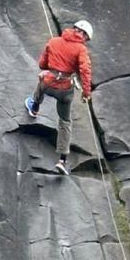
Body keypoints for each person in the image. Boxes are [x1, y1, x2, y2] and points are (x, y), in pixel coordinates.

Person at [25, 19, 94, 175]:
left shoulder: (54, 41)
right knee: (65, 122)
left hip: (49, 84)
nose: (86, 41)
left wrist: (52, 66)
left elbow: (42, 64)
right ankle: (62, 160)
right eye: (86, 38)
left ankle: (34, 107)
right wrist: (86, 93)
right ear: (82, 34)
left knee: (42, 80)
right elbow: (85, 71)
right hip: (65, 90)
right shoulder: (81, 50)